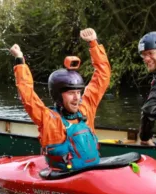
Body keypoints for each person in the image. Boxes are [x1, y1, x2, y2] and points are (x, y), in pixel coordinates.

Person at [9, 28, 111, 171]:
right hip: (64, 177)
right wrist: (20, 60)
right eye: (70, 93)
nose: (77, 98)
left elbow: (102, 76)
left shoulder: (86, 108)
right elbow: (27, 94)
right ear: (58, 96)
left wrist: (94, 43)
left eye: (78, 92)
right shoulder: (48, 119)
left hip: (92, 172)